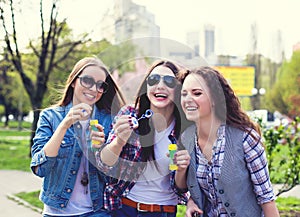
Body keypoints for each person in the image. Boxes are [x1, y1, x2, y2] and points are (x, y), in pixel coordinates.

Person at [93, 59, 192, 217]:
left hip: (163, 212)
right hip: (124, 209)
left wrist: (181, 169)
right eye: (153, 80)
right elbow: (104, 164)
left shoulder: (186, 129)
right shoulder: (129, 115)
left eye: (168, 81)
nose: (160, 85)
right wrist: (119, 141)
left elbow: (182, 187)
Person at [178, 66, 280, 217]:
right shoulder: (186, 139)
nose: (188, 100)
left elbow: (266, 198)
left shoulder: (245, 138)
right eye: (184, 94)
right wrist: (181, 172)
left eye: (197, 93)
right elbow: (182, 187)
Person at [30, 56, 126, 217]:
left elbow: (113, 178)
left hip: (96, 211)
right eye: (87, 81)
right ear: (74, 81)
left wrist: (102, 149)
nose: (94, 89)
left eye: (100, 85)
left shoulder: (108, 120)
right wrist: (64, 125)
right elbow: (40, 168)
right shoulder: (50, 116)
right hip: (56, 212)